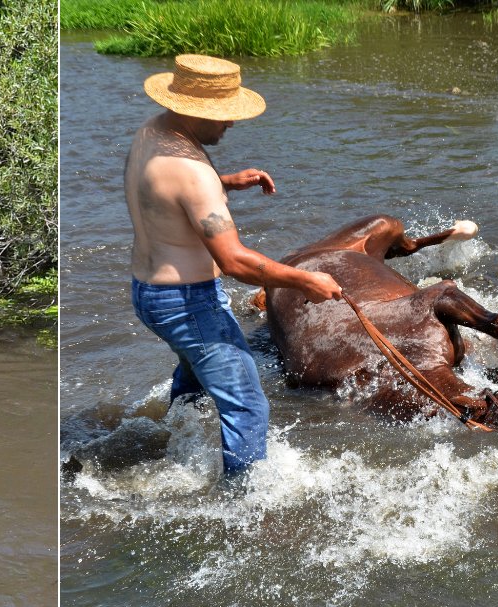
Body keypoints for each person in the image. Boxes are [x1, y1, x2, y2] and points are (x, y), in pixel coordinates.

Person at [125, 54, 344, 475]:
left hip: (147, 292)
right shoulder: (193, 172)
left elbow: (163, 192)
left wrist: (224, 181)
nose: (231, 123)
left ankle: (174, 442)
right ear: (195, 110)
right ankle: (240, 506)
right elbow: (233, 261)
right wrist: (304, 280)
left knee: (195, 373)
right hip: (187, 302)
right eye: (224, 115)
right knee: (247, 403)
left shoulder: (151, 134)